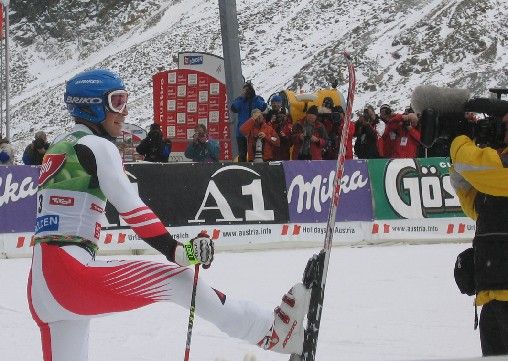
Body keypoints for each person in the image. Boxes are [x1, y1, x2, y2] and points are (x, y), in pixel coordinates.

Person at [27, 69, 310, 361]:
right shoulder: (97, 146)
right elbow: (131, 207)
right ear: (92, 105)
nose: (124, 111)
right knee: (179, 280)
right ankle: (272, 331)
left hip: (43, 285)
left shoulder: (61, 146)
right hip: (67, 275)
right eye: (117, 102)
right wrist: (176, 250)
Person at [450, 110, 508, 356]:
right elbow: (477, 207)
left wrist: (459, 140)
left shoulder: (496, 168)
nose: (503, 133)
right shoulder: (494, 169)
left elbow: (483, 169)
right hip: (493, 294)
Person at [230, 82, 267, 162]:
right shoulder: (240, 100)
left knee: (254, 153)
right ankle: (242, 171)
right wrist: (242, 98)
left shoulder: (256, 99)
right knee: (242, 154)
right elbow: (233, 108)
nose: (244, 92)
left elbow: (263, 107)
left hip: (254, 132)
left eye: (246, 90)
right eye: (244, 90)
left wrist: (254, 97)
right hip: (241, 133)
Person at [265, 95, 293, 160]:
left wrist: (285, 135)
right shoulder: (268, 115)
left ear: (281, 103)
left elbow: (291, 129)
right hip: (271, 146)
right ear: (271, 104)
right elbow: (265, 130)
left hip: (283, 146)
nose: (275, 104)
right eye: (273, 102)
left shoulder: (287, 115)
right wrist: (271, 121)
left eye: (278, 102)